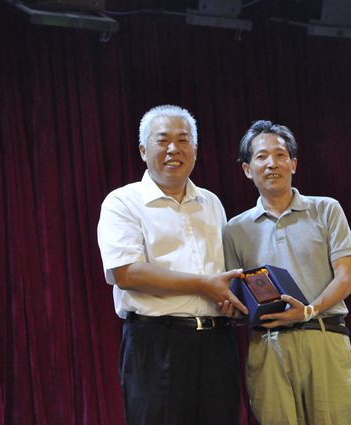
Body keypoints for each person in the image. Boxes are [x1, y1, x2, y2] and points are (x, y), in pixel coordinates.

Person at [97, 104, 247, 425]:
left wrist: (233, 300)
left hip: (217, 344)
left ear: (196, 149)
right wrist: (204, 285)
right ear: (143, 150)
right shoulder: (123, 202)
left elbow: (221, 271)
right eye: (162, 140)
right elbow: (126, 273)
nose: (173, 149)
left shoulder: (211, 202)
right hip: (156, 343)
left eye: (183, 140)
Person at [223, 120, 351, 425]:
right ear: (247, 169)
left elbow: (345, 278)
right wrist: (232, 308)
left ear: (293, 164)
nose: (271, 163)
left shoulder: (326, 209)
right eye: (261, 157)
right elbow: (235, 294)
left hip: (323, 334)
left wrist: (308, 310)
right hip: (267, 344)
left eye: (280, 155)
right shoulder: (234, 229)